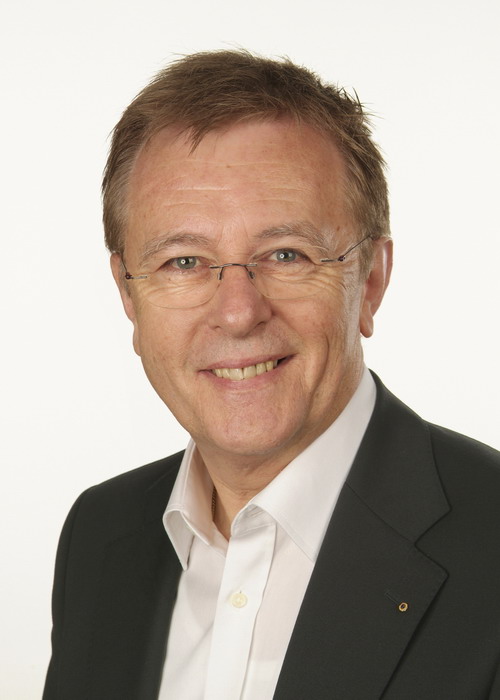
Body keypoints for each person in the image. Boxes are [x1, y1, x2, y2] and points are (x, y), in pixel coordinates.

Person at [43, 50, 500, 700]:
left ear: (370, 280)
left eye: (286, 254)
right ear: (128, 294)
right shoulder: (100, 535)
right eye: (183, 261)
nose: (237, 312)